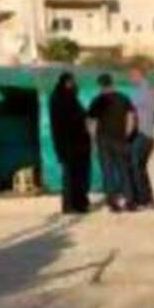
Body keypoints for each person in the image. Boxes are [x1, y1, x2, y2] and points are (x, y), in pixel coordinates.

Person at [88, 73, 138, 212]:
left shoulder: (97, 100)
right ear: (112, 83)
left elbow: (92, 122)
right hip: (120, 139)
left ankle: (113, 203)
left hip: (103, 140)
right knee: (124, 169)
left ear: (100, 85)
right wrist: (127, 134)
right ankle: (130, 201)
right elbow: (131, 118)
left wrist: (93, 141)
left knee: (108, 171)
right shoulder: (123, 98)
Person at [49, 72, 90, 213]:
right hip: (69, 144)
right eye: (71, 82)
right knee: (71, 176)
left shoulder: (68, 98)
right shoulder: (62, 99)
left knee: (77, 175)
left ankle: (77, 203)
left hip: (74, 144)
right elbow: (68, 120)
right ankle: (72, 204)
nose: (73, 85)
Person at [128, 68, 154, 209]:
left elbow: (132, 112)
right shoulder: (151, 90)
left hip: (142, 133)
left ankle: (143, 199)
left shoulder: (140, 91)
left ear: (138, 75)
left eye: (131, 76)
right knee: (140, 167)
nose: (130, 80)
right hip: (149, 133)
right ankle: (147, 199)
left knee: (135, 165)